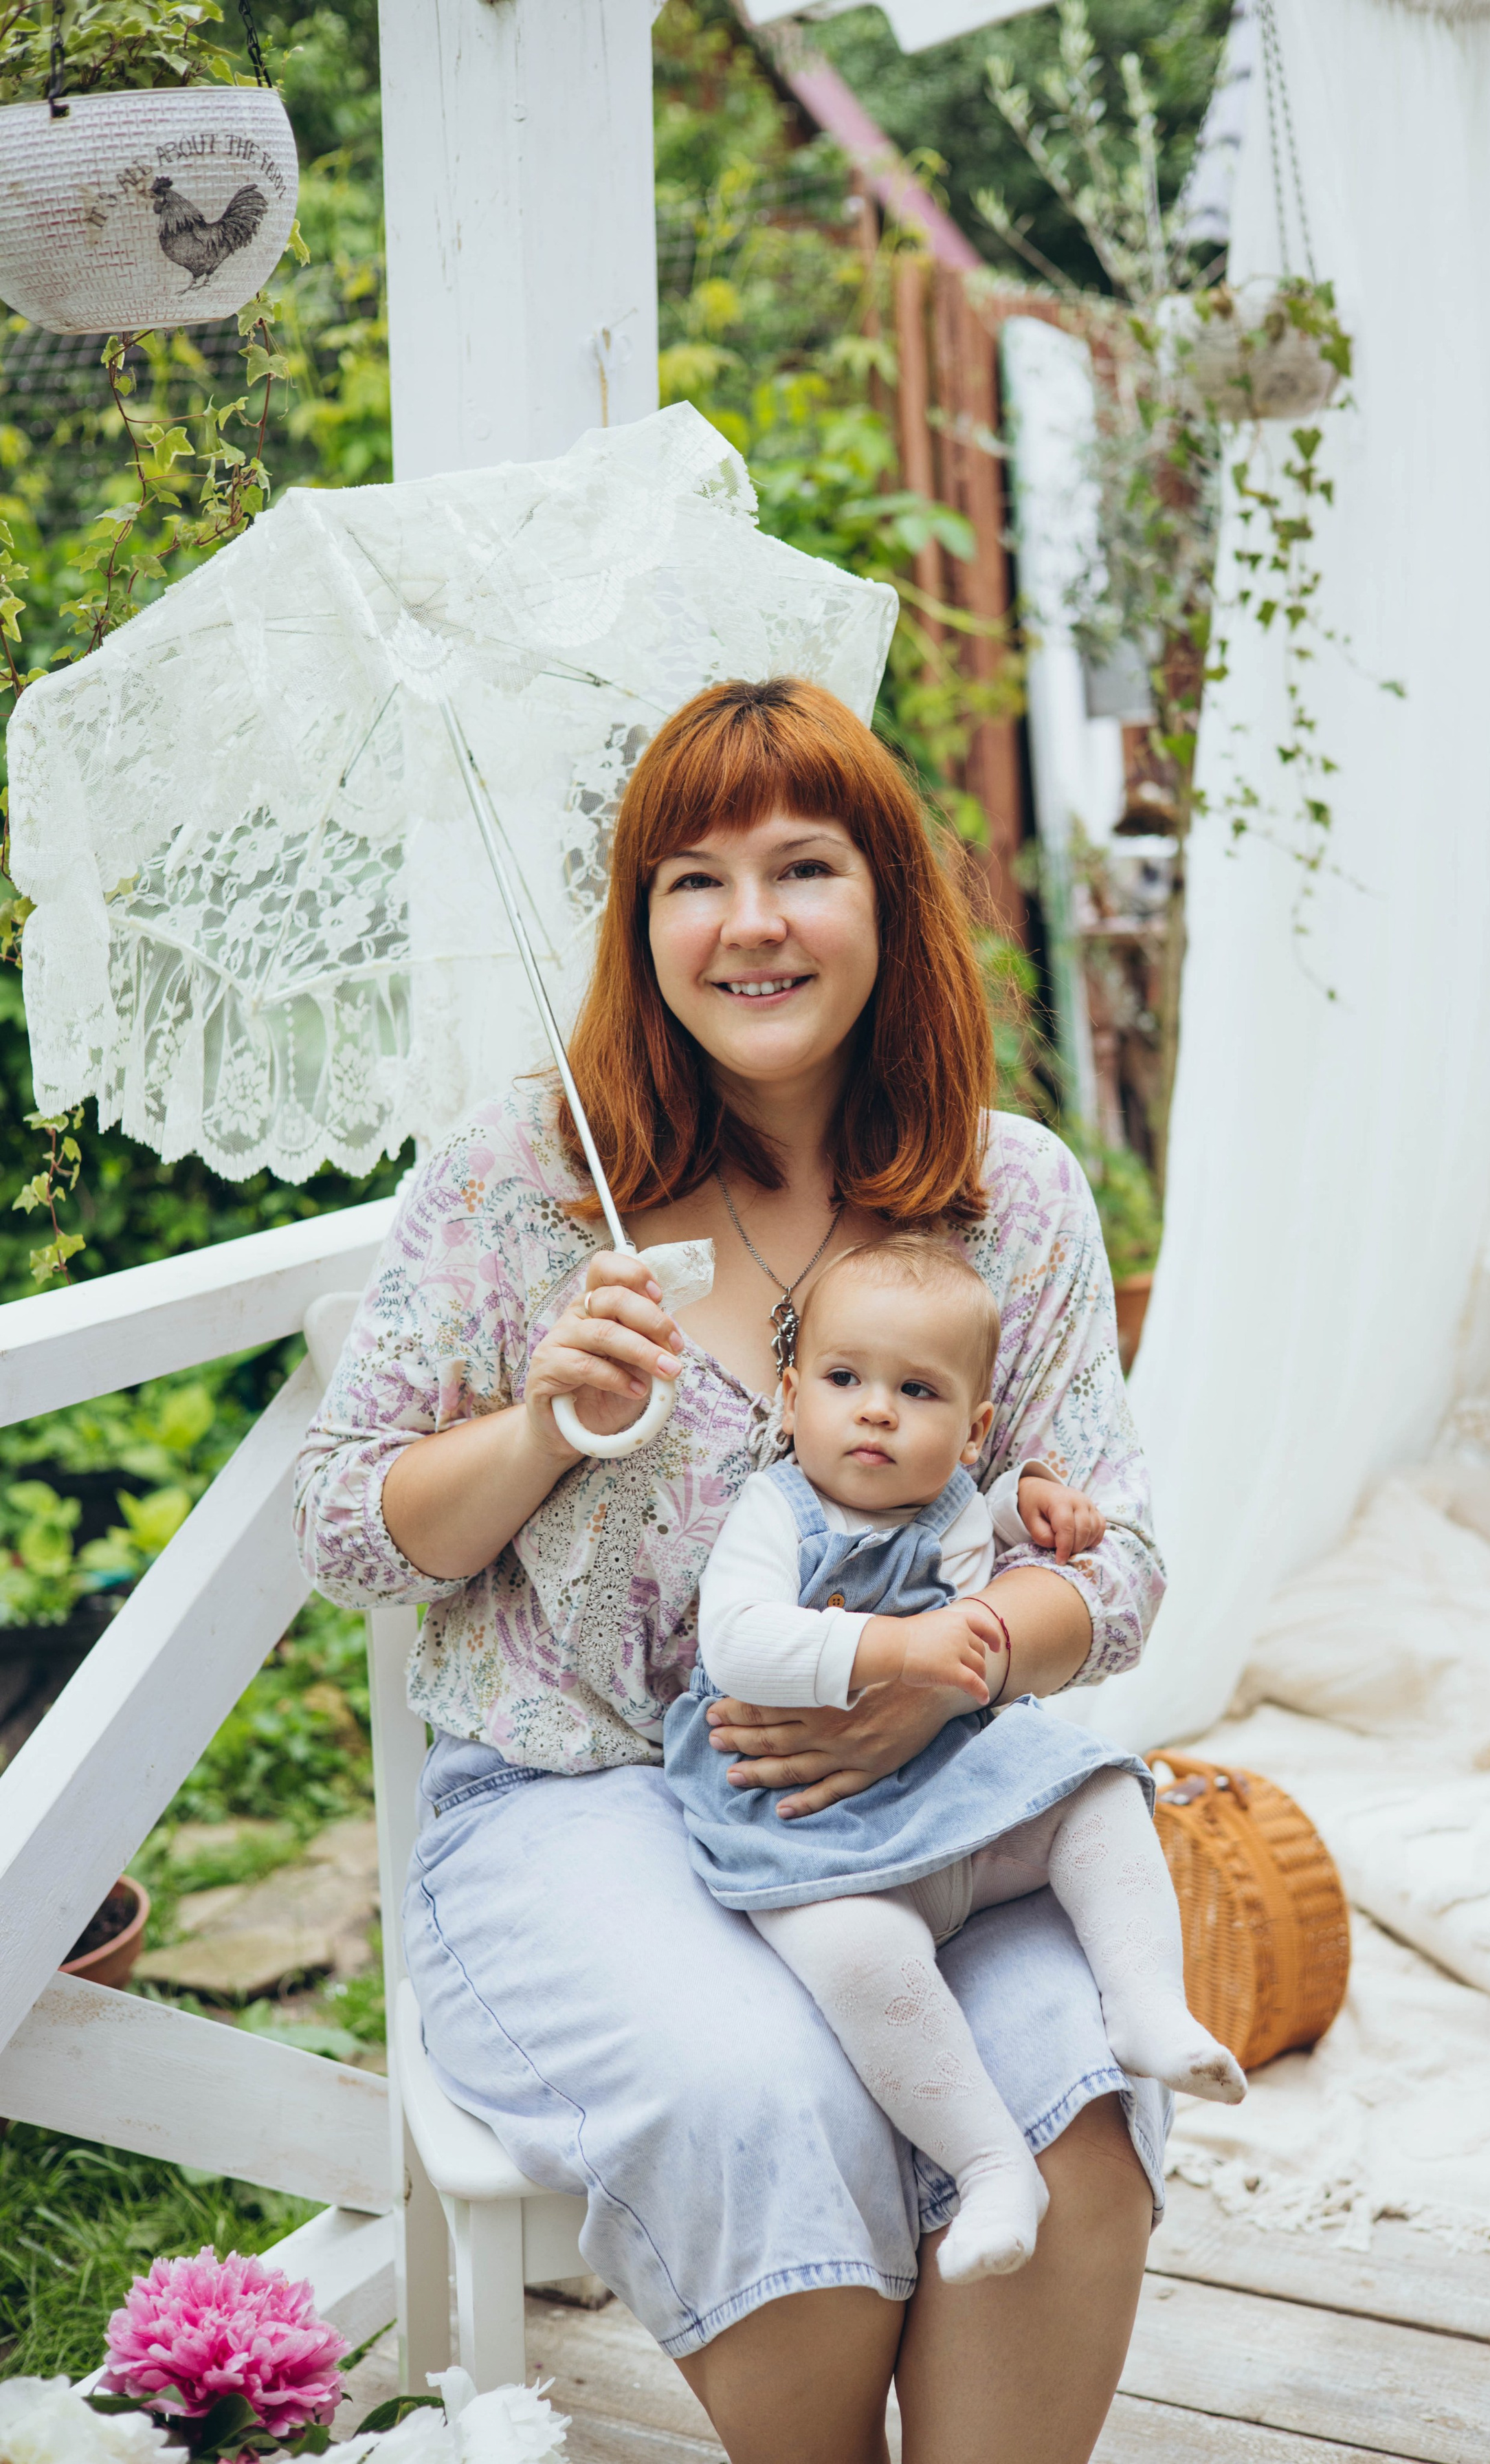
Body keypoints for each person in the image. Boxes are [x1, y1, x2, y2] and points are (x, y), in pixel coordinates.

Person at [295, 676, 1172, 2464]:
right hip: (581, 1802)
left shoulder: (1011, 1197)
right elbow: (344, 1528)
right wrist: (544, 1422)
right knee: (761, 2093)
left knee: (1072, 2103)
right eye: (692, 877)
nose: (750, 921)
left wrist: (951, 1661)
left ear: (888, 900)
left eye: (802, 866)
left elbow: (1126, 1559)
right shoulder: (521, 1184)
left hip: (931, 1802)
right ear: (639, 927)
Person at [667, 1233, 1245, 2286]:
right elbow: (736, 1641)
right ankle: (990, 2166)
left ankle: (1145, 2003)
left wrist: (1038, 1501)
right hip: (814, 1824)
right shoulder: (774, 1512)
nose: (877, 1410)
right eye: (845, 1380)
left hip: (947, 1799)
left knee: (1102, 1789)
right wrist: (900, 1650)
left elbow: (996, 1525)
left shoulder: (952, 1505)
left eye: (917, 1390)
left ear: (970, 1427)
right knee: (854, 1958)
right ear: (792, 1399)